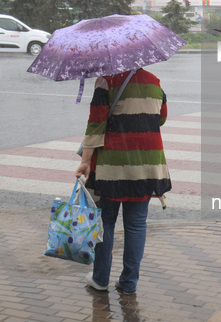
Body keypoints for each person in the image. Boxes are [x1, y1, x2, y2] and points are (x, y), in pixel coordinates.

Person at [76, 68, 171, 295]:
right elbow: (162, 117)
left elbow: (96, 124)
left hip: (113, 164)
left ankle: (100, 278)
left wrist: (85, 161)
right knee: (137, 224)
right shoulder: (154, 80)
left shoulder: (105, 81)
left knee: (106, 221)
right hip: (148, 162)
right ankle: (129, 283)